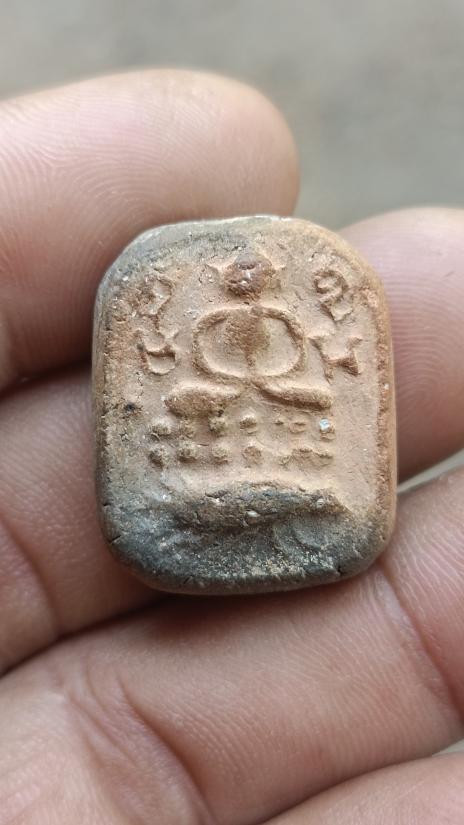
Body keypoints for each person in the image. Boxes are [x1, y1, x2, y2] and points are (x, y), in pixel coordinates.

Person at [0, 69, 463, 824]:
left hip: (268, 410)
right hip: (219, 415)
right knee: (207, 400)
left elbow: (287, 376)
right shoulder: (195, 315)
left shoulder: (285, 321)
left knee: (280, 399)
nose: (244, 280)